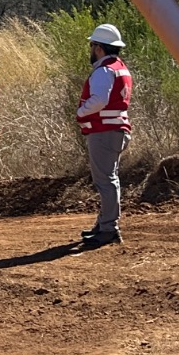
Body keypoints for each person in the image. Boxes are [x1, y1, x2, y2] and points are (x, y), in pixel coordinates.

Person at [77, 23, 132, 248]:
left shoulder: (104, 70)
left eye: (92, 46)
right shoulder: (120, 68)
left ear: (99, 47)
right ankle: (105, 224)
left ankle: (108, 227)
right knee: (111, 179)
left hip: (104, 131)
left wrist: (80, 111)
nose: (91, 50)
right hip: (116, 129)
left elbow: (99, 99)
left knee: (105, 181)